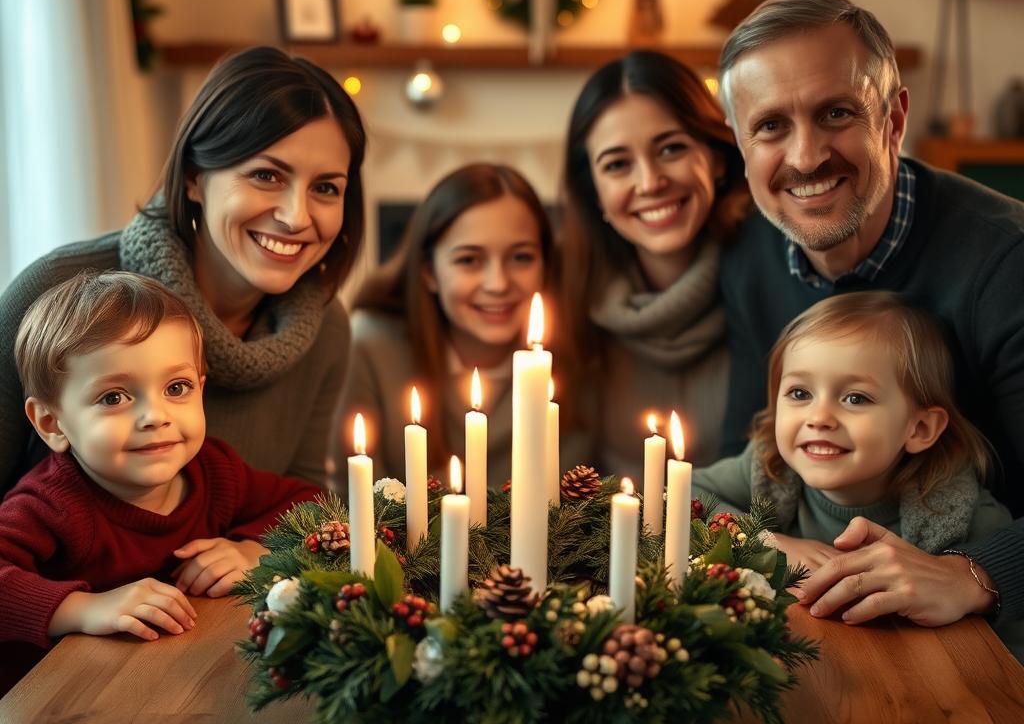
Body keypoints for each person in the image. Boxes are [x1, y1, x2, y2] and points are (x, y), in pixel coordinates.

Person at [716, 0, 1024, 627]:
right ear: (739, 144)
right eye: (771, 125)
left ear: (894, 116)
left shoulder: (1008, 263)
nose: (805, 157)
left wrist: (975, 572)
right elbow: (743, 468)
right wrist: (760, 545)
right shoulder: (749, 256)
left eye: (836, 113)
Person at [0, 46, 365, 494]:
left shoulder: (327, 331)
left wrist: (261, 551)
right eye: (266, 176)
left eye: (326, 187)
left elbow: (301, 501)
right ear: (194, 177)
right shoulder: (51, 291)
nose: (296, 217)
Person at [0, 271, 319, 694]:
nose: (155, 416)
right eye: (113, 397)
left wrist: (252, 549)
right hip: (57, 713)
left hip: (174, 688)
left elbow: (310, 504)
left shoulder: (213, 471)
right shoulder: (50, 505)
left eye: (177, 387)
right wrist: (83, 609)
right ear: (52, 423)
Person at [693, 292, 1010, 570]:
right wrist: (764, 541)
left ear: (920, 429)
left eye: (855, 398)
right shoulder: (768, 466)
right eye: (800, 393)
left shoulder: (971, 518)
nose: (819, 418)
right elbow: (680, 493)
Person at [559, 50, 747, 481]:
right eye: (617, 164)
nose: (650, 182)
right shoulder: (562, 285)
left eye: (671, 148)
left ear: (717, 158)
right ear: (595, 192)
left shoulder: (772, 275)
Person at [332, 163, 578, 487]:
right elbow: (346, 502)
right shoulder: (370, 347)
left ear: (545, 264)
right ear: (429, 272)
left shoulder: (578, 354)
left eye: (521, 257)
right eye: (469, 260)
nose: (498, 284)